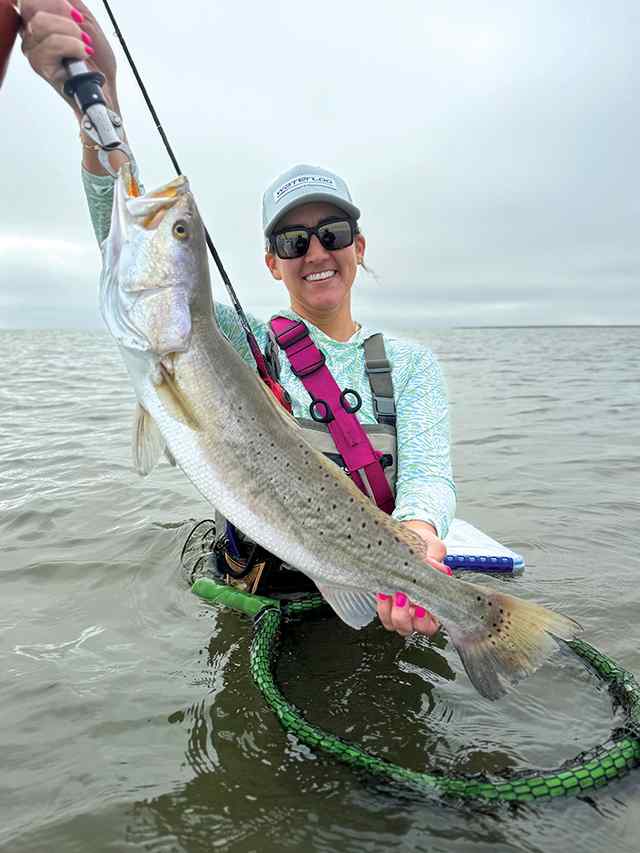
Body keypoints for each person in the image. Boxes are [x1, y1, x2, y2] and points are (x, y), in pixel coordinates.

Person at [20, 0, 456, 639]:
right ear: (271, 262)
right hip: (255, 609)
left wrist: (417, 543)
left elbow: (428, 476)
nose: (314, 252)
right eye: (291, 241)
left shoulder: (412, 365)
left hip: (379, 596)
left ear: (358, 246)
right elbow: (128, 243)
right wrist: (99, 102)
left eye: (331, 232)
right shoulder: (228, 340)